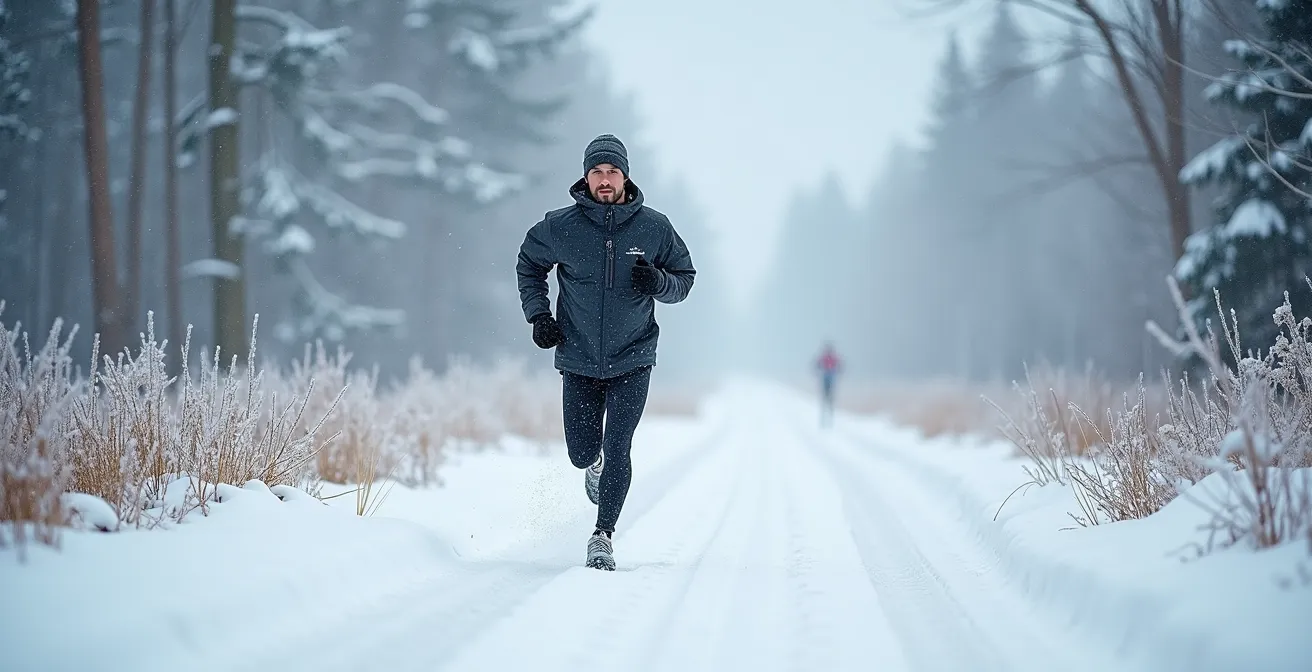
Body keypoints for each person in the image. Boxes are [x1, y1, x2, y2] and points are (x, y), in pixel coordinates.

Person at [516, 134, 696, 571]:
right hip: (577, 356)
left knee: (620, 444)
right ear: (585, 175)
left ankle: (603, 536)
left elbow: (684, 278)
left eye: (612, 171)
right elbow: (529, 263)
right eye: (597, 171)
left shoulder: (654, 227)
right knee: (582, 451)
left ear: (626, 176)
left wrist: (659, 282)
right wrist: (539, 315)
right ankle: (591, 463)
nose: (604, 179)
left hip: (634, 356)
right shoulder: (560, 226)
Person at [816, 342, 842, 428]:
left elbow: (817, 364)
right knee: (828, 395)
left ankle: (828, 411)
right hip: (828, 377)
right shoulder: (828, 357)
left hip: (828, 377)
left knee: (827, 396)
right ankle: (827, 411)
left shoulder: (830, 357)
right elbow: (817, 364)